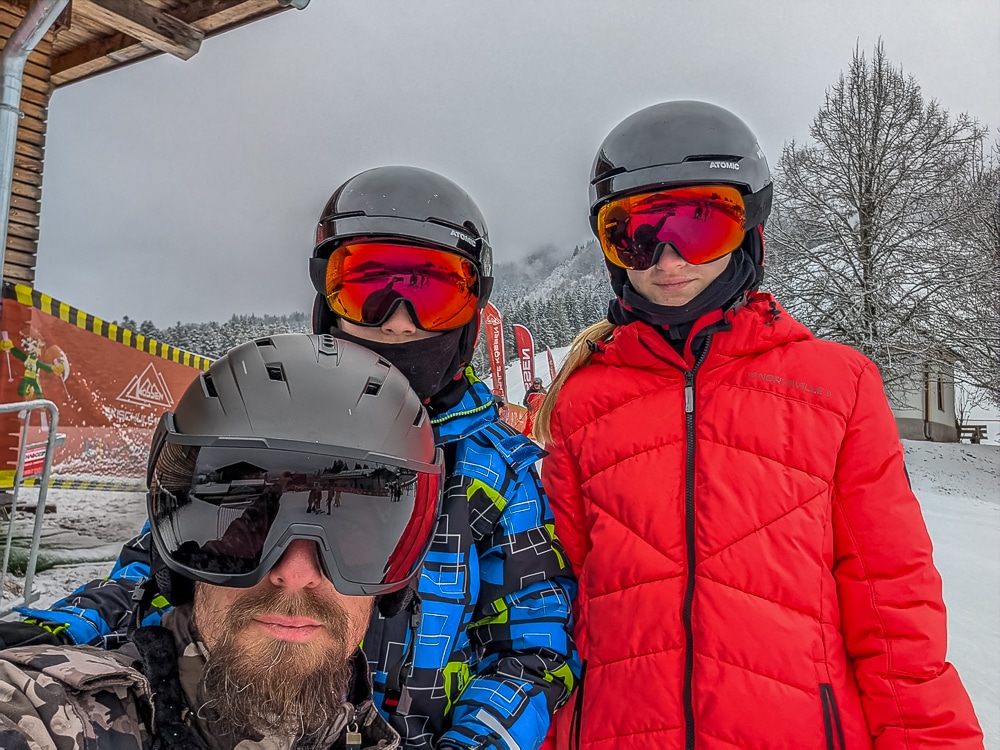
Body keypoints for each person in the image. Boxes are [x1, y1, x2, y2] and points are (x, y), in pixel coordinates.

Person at [3, 166, 579, 750]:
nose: (399, 318)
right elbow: (158, 567)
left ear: (471, 312)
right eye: (367, 286)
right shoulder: (271, 420)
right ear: (327, 299)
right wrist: (53, 636)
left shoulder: (497, 470)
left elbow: (533, 646)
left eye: (434, 293)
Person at [534, 101, 984, 749]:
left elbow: (893, 609)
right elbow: (556, 608)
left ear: (749, 228)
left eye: (700, 226)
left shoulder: (835, 387)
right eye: (634, 234)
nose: (667, 260)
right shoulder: (583, 402)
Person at [0, 333, 445, 749]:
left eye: (352, 535)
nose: (295, 574)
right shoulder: (56, 716)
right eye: (254, 531)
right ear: (178, 564)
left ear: (396, 583)